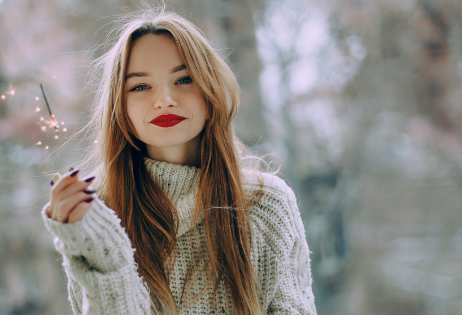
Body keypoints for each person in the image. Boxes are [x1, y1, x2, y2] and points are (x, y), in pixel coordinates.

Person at [41, 6, 317, 315]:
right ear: (120, 107)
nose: (165, 99)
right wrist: (103, 251)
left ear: (209, 90)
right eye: (140, 87)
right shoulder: (98, 213)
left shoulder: (267, 204)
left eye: (184, 80)